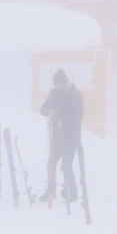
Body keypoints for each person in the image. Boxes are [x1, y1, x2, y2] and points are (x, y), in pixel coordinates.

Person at [39, 68, 84, 204]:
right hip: (57, 137)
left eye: (60, 84)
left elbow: (78, 116)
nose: (58, 86)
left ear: (64, 83)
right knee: (51, 163)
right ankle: (51, 190)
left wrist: (60, 119)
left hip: (71, 137)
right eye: (56, 84)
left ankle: (73, 193)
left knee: (66, 166)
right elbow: (42, 109)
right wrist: (50, 111)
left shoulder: (75, 95)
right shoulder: (54, 93)